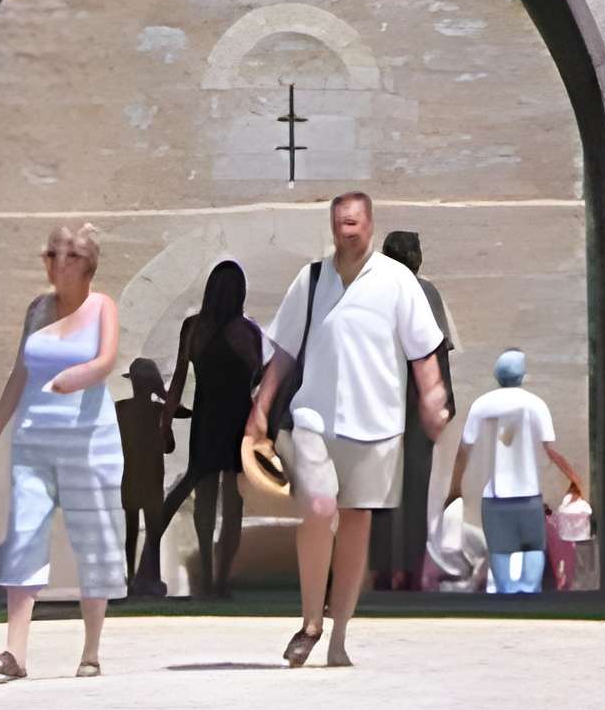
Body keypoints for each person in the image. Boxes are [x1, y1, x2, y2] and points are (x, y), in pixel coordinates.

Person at [246, 192, 452, 668]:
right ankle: (310, 621)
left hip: (377, 424)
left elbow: (422, 350)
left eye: (356, 223)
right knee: (319, 507)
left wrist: (433, 395)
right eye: (341, 223)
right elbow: (285, 351)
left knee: (356, 524)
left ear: (371, 224)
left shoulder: (399, 281)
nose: (348, 231)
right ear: (332, 226)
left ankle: (338, 635)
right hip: (314, 417)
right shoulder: (312, 278)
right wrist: (260, 409)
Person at [0, 220, 125, 679]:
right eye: (52, 254)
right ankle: (14, 653)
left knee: (92, 540)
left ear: (88, 265)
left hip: (87, 443)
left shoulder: (102, 307)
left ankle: (91, 650)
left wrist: (76, 376)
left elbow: (106, 360)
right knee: (22, 535)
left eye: (70, 256)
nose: (58, 264)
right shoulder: (38, 309)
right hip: (33, 442)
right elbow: (20, 373)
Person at [142, 259, 266, 598]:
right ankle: (220, 578)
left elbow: (179, 380)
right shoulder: (247, 331)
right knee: (231, 502)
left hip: (207, 421)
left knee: (204, 502)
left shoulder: (194, 328)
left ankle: (210, 577)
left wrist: (165, 421)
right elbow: (259, 376)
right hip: (236, 422)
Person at [445, 349, 587, 596]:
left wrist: (455, 488)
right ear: (523, 374)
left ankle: (507, 592)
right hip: (528, 493)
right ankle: (529, 591)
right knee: (533, 545)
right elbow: (551, 449)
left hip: (495, 496)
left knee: (500, 548)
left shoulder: (482, 404)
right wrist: (573, 477)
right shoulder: (535, 403)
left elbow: (465, 449)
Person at [375, 227, 454, 592]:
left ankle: (381, 570)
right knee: (415, 491)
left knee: (377, 491)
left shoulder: (369, 291)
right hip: (415, 405)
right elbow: (437, 352)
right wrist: (444, 400)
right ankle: (409, 570)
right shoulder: (425, 292)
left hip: (378, 408)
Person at [115, 357, 176, 596]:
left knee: (131, 531)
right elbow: (168, 447)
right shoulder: (159, 412)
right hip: (152, 479)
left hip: (130, 476)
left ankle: (130, 576)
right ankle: (154, 578)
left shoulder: (120, 409)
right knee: (154, 533)